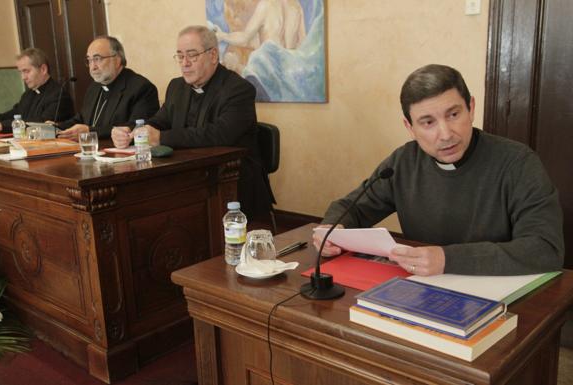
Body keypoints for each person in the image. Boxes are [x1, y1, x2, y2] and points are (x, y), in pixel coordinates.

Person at [314, 64, 564, 276]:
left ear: (471, 108)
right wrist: (331, 230)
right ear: (410, 127)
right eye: (428, 122)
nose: (445, 134)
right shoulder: (403, 162)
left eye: (453, 114)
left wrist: (447, 259)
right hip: (425, 287)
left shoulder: (518, 162)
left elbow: (545, 249)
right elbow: (352, 207)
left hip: (499, 293)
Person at [111, 25, 273, 219]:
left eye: (192, 55)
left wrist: (161, 138)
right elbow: (159, 121)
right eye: (180, 56)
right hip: (188, 177)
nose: (184, 63)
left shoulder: (238, 89)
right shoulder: (177, 86)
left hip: (232, 182)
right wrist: (131, 131)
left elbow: (220, 134)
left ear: (213, 55)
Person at [56, 36, 159, 140]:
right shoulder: (94, 88)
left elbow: (136, 128)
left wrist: (91, 132)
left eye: (97, 59)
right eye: (89, 60)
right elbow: (81, 119)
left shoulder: (141, 88)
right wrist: (56, 127)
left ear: (117, 60)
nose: (93, 67)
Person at [0, 48, 74, 137]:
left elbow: (41, 123)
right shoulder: (29, 94)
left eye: (26, 71)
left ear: (43, 69)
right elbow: (9, 116)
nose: (23, 77)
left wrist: (2, 126)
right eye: (21, 72)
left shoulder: (59, 94)